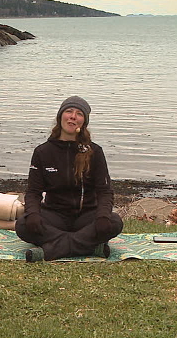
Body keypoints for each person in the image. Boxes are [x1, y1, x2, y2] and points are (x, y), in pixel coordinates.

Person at [16, 96, 124, 262]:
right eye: (69, 111)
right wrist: (33, 214)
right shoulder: (43, 152)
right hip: (55, 215)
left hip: (86, 215)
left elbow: (104, 191)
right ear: (60, 117)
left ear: (83, 122)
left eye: (79, 114)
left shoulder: (95, 151)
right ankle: (89, 246)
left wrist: (102, 216)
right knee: (23, 225)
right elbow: (33, 191)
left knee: (113, 222)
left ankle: (51, 250)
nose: (73, 116)